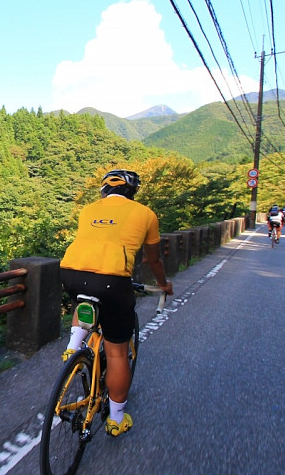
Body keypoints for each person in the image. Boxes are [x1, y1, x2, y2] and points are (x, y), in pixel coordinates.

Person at [59, 169, 173, 438]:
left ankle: (73, 347)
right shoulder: (145, 214)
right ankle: (116, 420)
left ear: (104, 190)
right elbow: (153, 259)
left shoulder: (88, 210)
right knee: (117, 353)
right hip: (112, 280)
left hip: (71, 273)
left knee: (84, 300)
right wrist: (164, 284)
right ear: (132, 192)